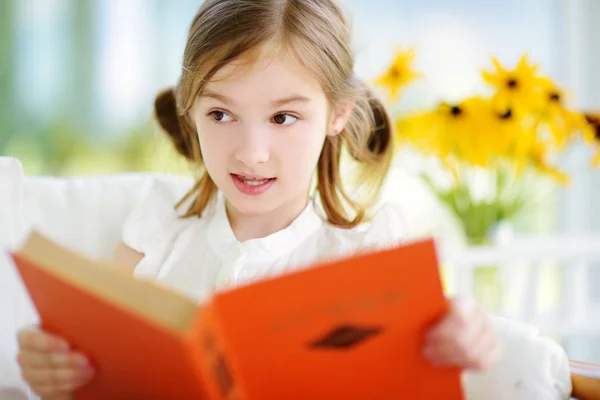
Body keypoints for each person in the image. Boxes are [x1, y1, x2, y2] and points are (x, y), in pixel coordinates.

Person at [16, 0, 500, 397]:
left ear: (337, 113)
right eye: (221, 114)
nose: (250, 154)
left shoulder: (372, 254)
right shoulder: (155, 231)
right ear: (191, 110)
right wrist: (57, 375)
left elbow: (430, 358)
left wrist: (466, 336)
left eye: (283, 118)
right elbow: (98, 367)